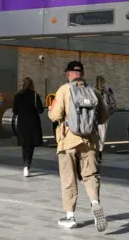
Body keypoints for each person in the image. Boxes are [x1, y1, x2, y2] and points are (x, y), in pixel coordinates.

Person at [48, 61, 109, 232]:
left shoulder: (64, 89)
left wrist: (50, 112)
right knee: (91, 175)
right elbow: (103, 118)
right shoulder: (94, 91)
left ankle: (70, 217)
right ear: (82, 73)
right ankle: (95, 203)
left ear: (68, 74)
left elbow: (55, 115)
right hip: (90, 141)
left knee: (69, 178)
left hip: (68, 141)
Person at [12, 77, 44, 177]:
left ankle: (26, 166)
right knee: (31, 146)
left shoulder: (17, 95)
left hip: (22, 123)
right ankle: (27, 166)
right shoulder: (35, 95)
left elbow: (14, 110)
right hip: (33, 123)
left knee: (24, 145)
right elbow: (41, 110)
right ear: (32, 84)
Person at [94, 75, 116, 152]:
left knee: (96, 133)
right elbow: (113, 104)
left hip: (95, 115)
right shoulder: (108, 91)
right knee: (102, 133)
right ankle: (99, 150)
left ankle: (97, 149)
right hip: (105, 115)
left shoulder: (93, 90)